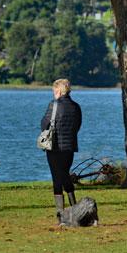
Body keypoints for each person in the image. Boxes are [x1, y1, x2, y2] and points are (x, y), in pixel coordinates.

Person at [41, 78, 82, 222]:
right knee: (64, 174)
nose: (53, 93)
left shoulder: (54, 105)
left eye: (54, 90)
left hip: (54, 147)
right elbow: (77, 126)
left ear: (58, 90)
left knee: (57, 178)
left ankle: (60, 213)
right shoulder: (76, 107)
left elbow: (44, 124)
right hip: (69, 147)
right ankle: (75, 207)